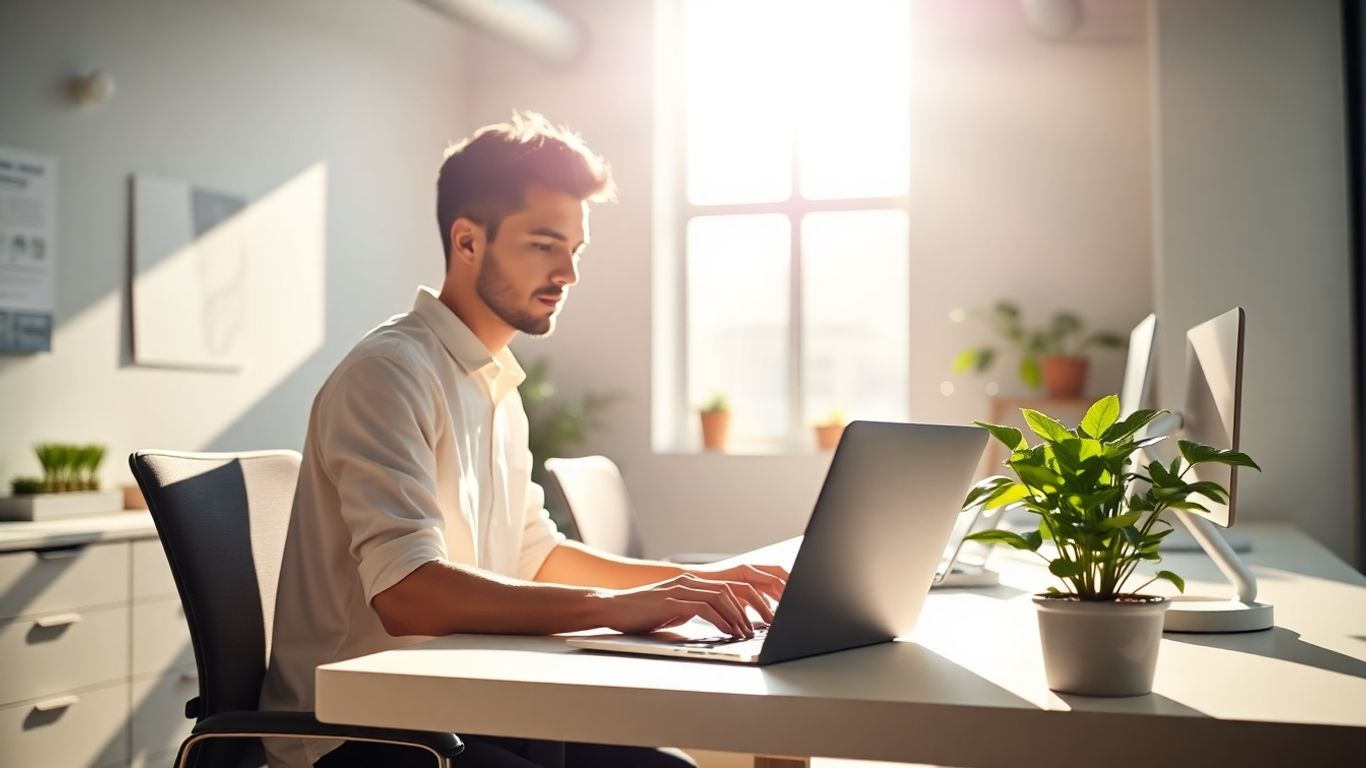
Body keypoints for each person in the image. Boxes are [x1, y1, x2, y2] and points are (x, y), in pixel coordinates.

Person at [260, 111, 789, 768]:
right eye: (544, 244)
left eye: (575, 249)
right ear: (468, 242)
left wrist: (700, 582)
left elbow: (537, 555)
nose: (568, 273)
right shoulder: (389, 375)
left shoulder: (496, 386)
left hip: (465, 707)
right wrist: (618, 608)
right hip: (358, 735)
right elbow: (407, 595)